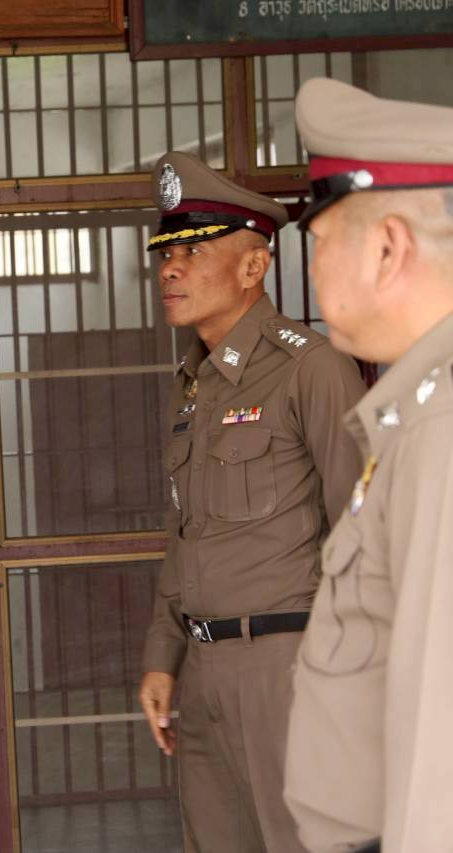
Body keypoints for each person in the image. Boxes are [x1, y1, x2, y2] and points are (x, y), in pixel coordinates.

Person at [135, 151, 366, 853]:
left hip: (288, 666)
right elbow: (187, 532)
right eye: (166, 252)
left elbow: (361, 532)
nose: (170, 269)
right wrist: (163, 654)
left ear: (254, 266)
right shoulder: (193, 384)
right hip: (203, 667)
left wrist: (354, 678)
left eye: (194, 251)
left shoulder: (311, 369)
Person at [283, 78, 453, 853]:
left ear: (388, 248)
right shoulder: (420, 406)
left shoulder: (440, 429)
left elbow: (439, 736)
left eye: (320, 241)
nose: (313, 269)